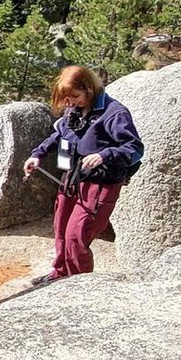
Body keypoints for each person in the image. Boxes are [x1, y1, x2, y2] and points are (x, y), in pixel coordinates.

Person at [22, 65, 143, 280]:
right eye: (66, 98)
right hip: (72, 178)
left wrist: (104, 155)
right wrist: (37, 154)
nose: (71, 102)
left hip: (100, 184)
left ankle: (78, 284)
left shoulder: (115, 113)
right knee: (60, 229)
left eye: (75, 96)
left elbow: (134, 148)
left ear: (89, 88)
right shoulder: (73, 111)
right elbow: (59, 135)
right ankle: (60, 274)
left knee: (76, 236)